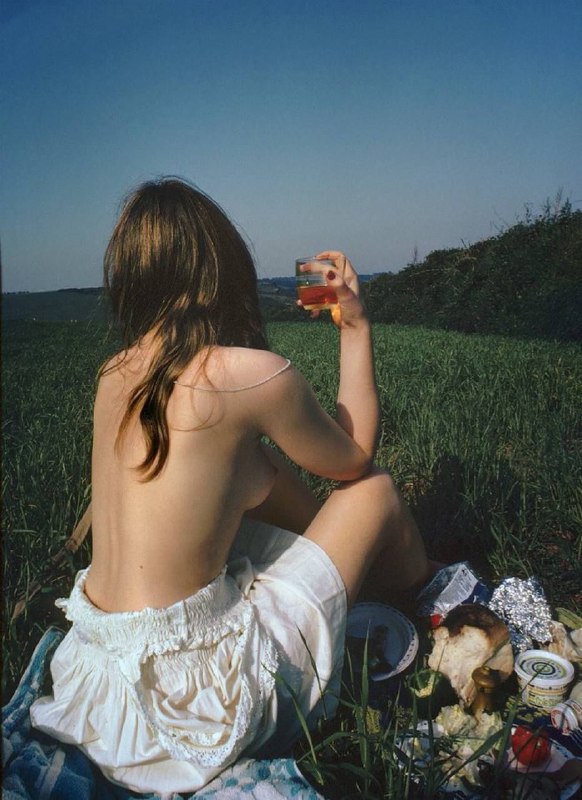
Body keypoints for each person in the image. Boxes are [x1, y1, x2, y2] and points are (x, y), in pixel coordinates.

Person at [30, 177, 431, 795]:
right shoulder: (250, 375)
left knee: (257, 481)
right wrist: (354, 326)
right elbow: (353, 459)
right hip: (194, 714)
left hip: (97, 690)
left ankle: (375, 583)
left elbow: (238, 481)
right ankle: (423, 602)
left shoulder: (112, 374)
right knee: (375, 494)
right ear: (222, 267)